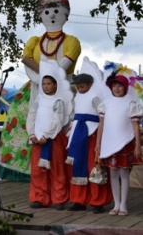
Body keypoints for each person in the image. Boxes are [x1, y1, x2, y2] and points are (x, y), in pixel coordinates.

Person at [0, 0, 81, 181]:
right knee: (30, 121)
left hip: (64, 89)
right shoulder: (35, 42)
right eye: (47, 12)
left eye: (56, 11)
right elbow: (26, 60)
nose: (51, 15)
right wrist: (41, 79)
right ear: (40, 16)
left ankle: (65, 176)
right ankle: (35, 175)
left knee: (65, 127)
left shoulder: (71, 42)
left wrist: (48, 77)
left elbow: (62, 69)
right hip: (37, 87)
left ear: (65, 15)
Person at [27, 60, 73, 210]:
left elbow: (57, 120)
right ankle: (40, 197)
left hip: (52, 139)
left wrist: (46, 135)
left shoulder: (58, 101)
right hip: (37, 139)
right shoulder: (39, 99)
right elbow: (32, 116)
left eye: (49, 84)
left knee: (56, 169)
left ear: (55, 85)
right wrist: (32, 133)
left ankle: (59, 198)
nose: (46, 86)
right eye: (44, 84)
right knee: (37, 170)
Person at [96, 73, 143, 216]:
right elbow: (101, 125)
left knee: (124, 173)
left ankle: (123, 204)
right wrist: (98, 144)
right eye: (114, 85)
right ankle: (116, 204)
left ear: (125, 87)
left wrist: (137, 145)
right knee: (113, 173)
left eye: (120, 85)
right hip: (109, 143)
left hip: (125, 143)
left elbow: (135, 126)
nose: (117, 88)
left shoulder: (130, 103)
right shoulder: (106, 103)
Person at [66, 70, 112, 213]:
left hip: (92, 134)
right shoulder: (76, 97)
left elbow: (104, 114)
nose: (80, 89)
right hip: (78, 134)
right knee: (78, 166)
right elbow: (73, 114)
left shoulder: (95, 98)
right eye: (78, 86)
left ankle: (98, 201)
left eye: (83, 86)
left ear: (90, 85)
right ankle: (79, 200)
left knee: (94, 166)